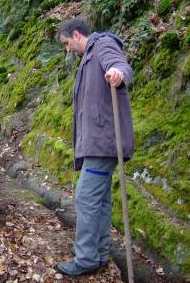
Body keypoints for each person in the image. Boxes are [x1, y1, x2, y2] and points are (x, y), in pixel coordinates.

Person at [56, 19, 134, 276]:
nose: (67, 49)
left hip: (104, 143)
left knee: (86, 198)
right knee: (99, 200)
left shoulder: (102, 45)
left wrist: (118, 74)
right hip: (99, 143)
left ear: (77, 35)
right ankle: (100, 254)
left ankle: (86, 258)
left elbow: (120, 65)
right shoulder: (89, 56)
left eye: (67, 43)